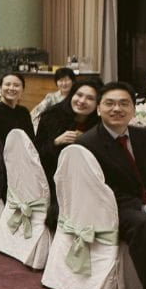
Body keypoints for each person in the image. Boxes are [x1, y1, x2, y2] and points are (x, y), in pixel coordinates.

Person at [76, 81, 146, 289]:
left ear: (134, 109)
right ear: (98, 109)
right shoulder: (88, 143)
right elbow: (101, 191)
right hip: (113, 206)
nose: (117, 109)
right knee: (145, 225)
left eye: (124, 104)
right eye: (110, 104)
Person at [34, 79, 101, 230]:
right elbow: (36, 155)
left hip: (88, 175)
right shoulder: (52, 116)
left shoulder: (98, 123)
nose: (82, 101)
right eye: (79, 95)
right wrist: (56, 142)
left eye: (90, 98)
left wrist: (85, 140)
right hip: (54, 175)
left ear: (98, 103)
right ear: (72, 95)